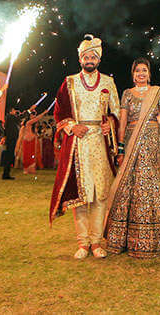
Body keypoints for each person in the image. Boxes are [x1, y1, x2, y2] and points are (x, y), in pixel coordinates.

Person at [104, 58, 160, 257]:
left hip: (153, 141)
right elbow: (123, 121)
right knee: (130, 184)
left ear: (149, 74)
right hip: (131, 141)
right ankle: (126, 237)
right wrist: (120, 147)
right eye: (137, 71)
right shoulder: (126, 93)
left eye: (144, 70)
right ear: (133, 74)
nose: (140, 74)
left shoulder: (159, 92)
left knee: (154, 183)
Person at [48, 35, 121, 260]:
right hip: (78, 144)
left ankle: (97, 242)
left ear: (98, 60)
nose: (89, 60)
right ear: (80, 59)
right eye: (86, 56)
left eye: (93, 56)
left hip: (100, 142)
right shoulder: (69, 82)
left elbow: (117, 110)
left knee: (100, 195)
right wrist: (71, 127)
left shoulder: (108, 82)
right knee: (81, 196)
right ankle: (82, 243)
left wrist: (111, 122)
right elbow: (60, 111)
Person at [21, 105, 51, 174]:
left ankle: (31, 169)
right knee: (27, 155)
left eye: (35, 114)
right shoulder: (28, 122)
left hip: (32, 140)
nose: (34, 115)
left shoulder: (33, 125)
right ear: (30, 115)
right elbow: (37, 118)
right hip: (27, 140)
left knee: (32, 155)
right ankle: (26, 169)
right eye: (33, 114)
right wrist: (44, 113)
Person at [1, 105, 26, 181]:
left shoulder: (9, 119)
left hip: (10, 139)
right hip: (11, 139)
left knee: (10, 156)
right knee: (9, 156)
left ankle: (6, 173)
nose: (15, 112)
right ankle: (6, 174)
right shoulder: (10, 117)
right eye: (14, 110)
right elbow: (19, 118)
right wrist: (27, 112)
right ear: (11, 111)